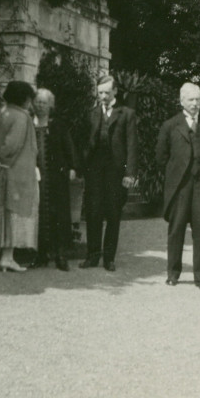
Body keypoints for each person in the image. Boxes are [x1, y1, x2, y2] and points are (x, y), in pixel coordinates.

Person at [155, 82, 200, 290]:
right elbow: (161, 157)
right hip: (180, 186)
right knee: (176, 229)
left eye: (198, 99)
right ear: (182, 101)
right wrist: (176, 174)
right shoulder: (170, 125)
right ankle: (173, 273)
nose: (195, 104)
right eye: (191, 99)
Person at [0, 81, 39, 272]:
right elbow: (12, 146)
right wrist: (0, 159)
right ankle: (7, 257)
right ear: (25, 99)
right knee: (12, 214)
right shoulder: (22, 117)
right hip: (16, 173)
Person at [78, 75, 138, 272]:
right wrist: (82, 166)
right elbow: (84, 142)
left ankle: (109, 258)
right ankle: (92, 256)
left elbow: (132, 146)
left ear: (115, 92)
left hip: (115, 173)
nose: (103, 96)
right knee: (93, 213)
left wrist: (130, 173)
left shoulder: (127, 114)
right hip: (94, 172)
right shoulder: (91, 114)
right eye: (100, 92)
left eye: (106, 92)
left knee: (113, 214)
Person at [31, 88, 78, 271]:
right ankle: (41, 255)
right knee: (38, 215)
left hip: (56, 176)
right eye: (37, 102)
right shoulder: (29, 124)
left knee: (59, 214)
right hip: (34, 177)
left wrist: (72, 167)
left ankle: (60, 255)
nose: (40, 106)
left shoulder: (58, 125)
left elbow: (69, 146)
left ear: (50, 105)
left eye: (43, 103)